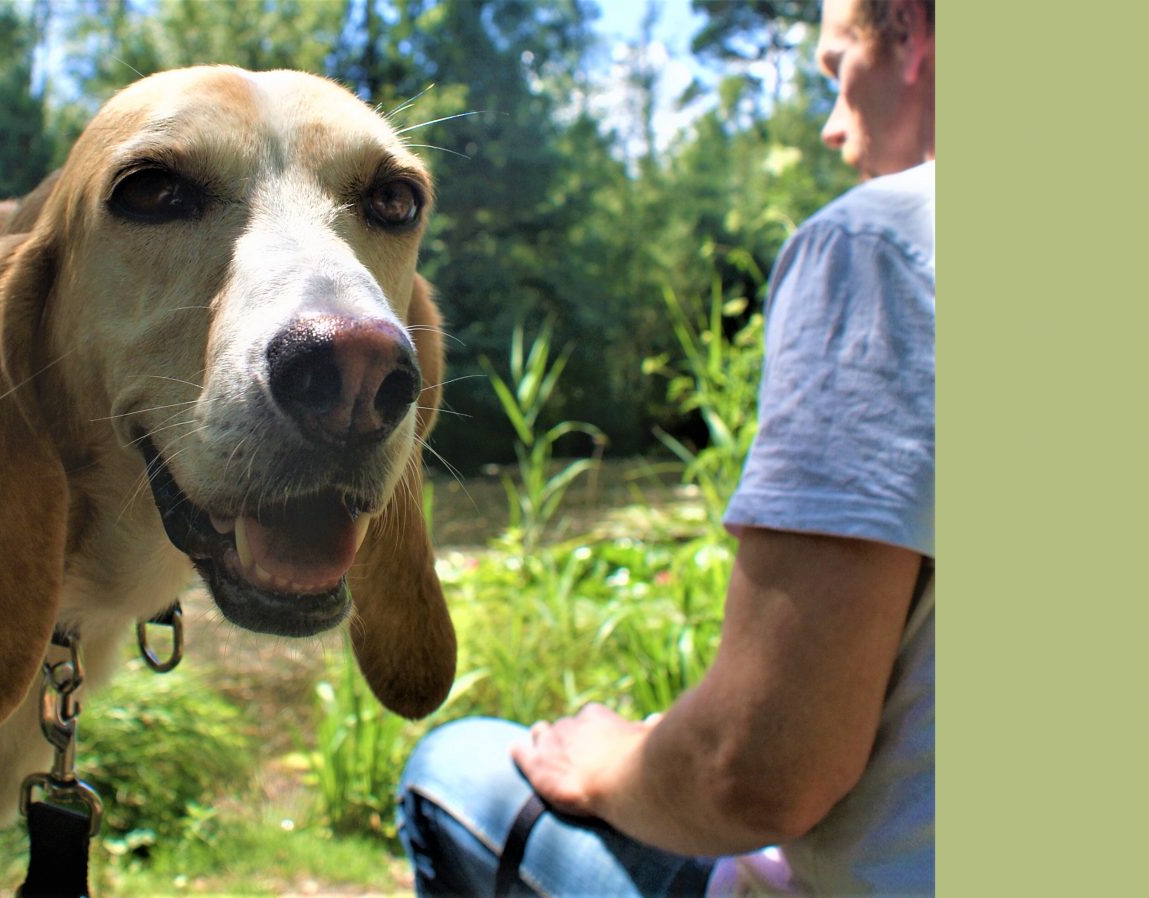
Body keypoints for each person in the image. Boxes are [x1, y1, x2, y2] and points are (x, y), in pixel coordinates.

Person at [395, 0, 936, 894]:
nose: (833, 128)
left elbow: (758, 773)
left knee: (451, 766)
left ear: (913, 35)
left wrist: (610, 760)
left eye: (838, 73)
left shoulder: (883, 243)